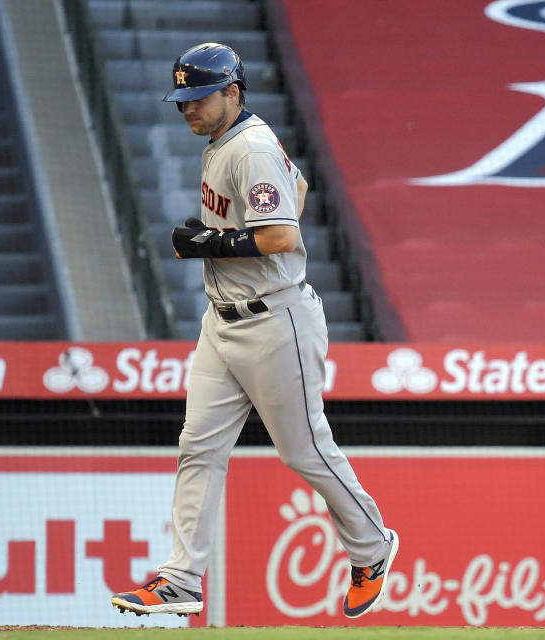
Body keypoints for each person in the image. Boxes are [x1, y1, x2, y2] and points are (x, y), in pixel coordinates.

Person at [111, 43, 398, 619]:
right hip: (223, 320)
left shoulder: (251, 146)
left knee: (305, 450)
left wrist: (210, 243)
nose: (187, 109)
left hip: (275, 318)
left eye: (199, 98)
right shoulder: (231, 141)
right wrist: (220, 235)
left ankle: (372, 546)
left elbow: (281, 237)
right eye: (182, 100)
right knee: (199, 445)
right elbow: (299, 192)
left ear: (232, 93)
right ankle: (181, 579)